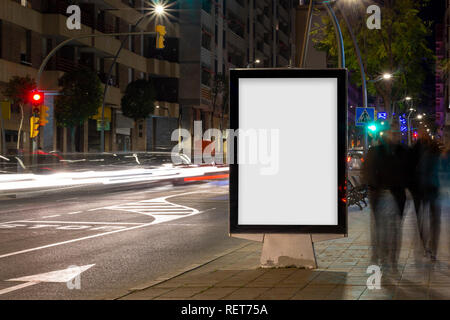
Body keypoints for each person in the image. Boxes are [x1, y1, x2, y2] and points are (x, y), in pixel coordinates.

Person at [363, 121, 408, 273]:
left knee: (394, 230)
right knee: (380, 230)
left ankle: (392, 260)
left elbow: (409, 173)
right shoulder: (375, 151)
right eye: (393, 132)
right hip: (380, 195)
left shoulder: (402, 151)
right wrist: (375, 187)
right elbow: (367, 172)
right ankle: (381, 258)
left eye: (398, 133)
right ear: (387, 133)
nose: (396, 135)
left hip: (396, 196)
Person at [408, 132, 441, 261]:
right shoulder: (426, 153)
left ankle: (430, 247)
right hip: (425, 191)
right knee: (430, 221)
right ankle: (429, 247)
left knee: (430, 221)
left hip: (428, 190)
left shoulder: (431, 153)